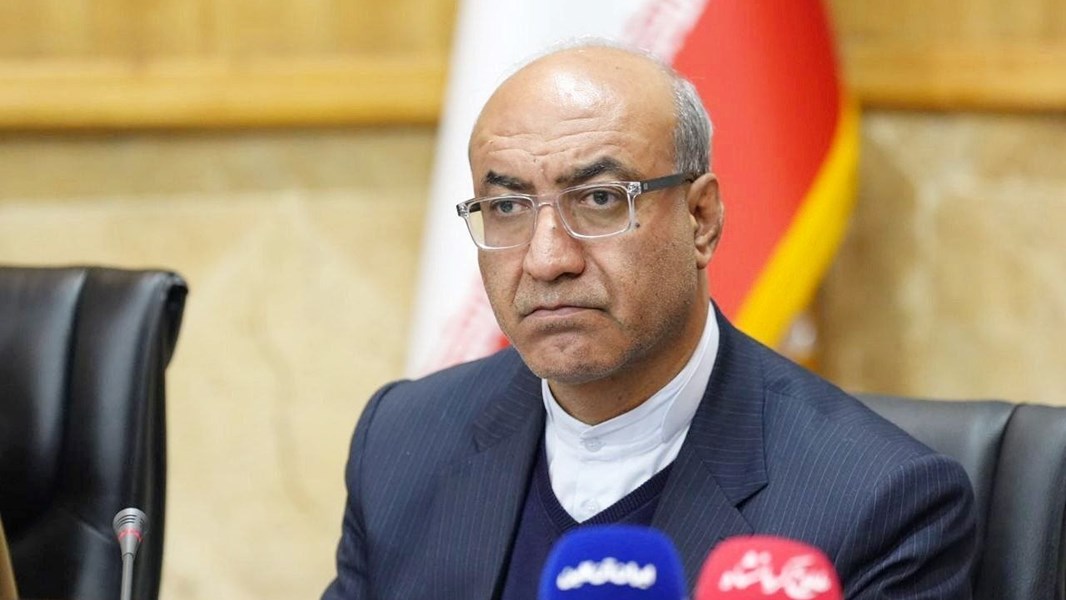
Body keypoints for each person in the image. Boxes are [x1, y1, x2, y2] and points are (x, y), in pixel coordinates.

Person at [322, 44, 975, 600]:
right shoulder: (404, 442)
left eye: (601, 199)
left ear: (701, 219)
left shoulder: (879, 502)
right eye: (509, 207)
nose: (547, 259)